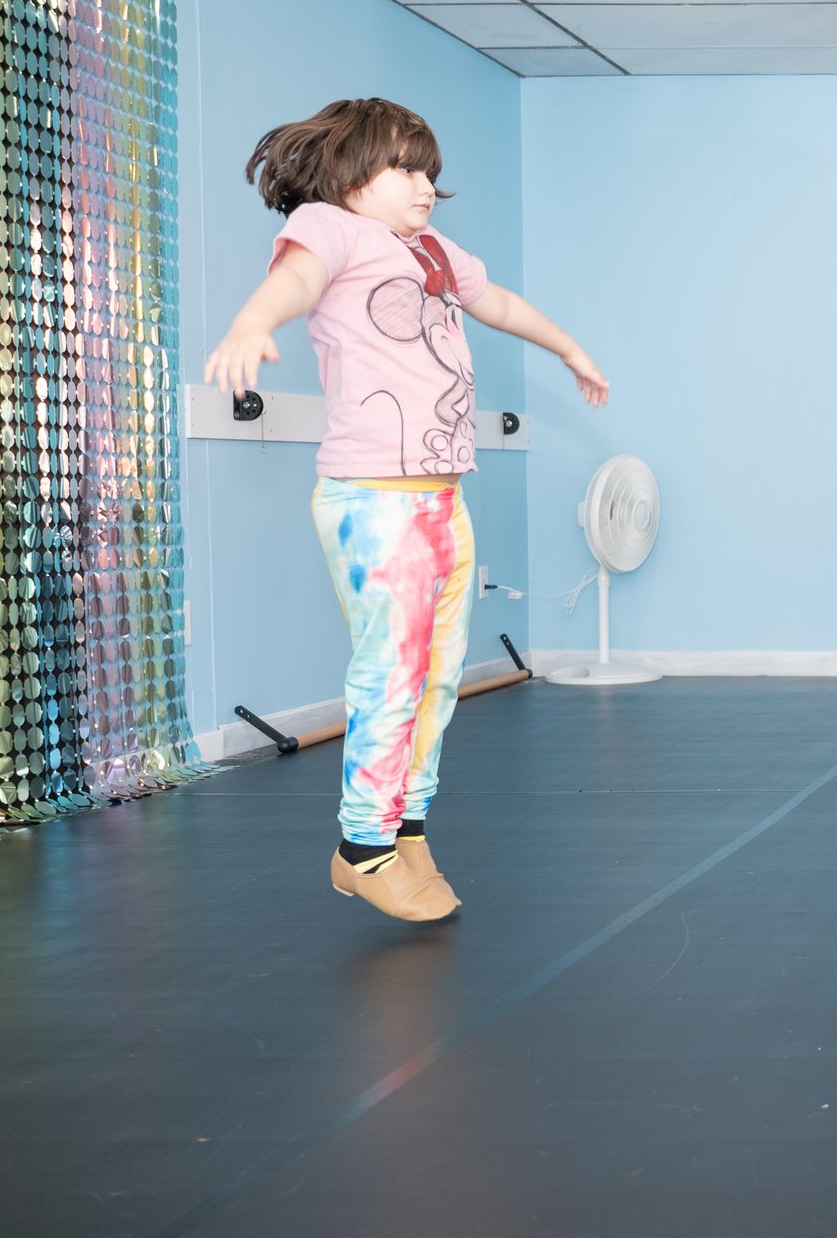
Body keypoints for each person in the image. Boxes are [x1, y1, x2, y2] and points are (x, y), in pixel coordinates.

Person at [204, 98, 610, 923]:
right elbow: (294, 280)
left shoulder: (431, 249)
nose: (425, 185)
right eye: (405, 169)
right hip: (374, 504)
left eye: (431, 171)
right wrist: (252, 319)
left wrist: (568, 346)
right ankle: (361, 847)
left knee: (440, 678)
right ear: (351, 176)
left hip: (442, 501)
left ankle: (407, 825)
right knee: (390, 675)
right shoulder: (332, 228)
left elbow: (495, 303)